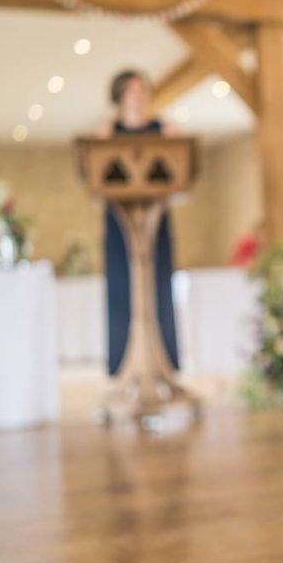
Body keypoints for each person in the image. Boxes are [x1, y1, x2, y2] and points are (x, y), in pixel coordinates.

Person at [101, 70, 180, 376]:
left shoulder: (164, 128)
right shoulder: (108, 131)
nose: (139, 96)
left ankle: (164, 361)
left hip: (155, 219)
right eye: (132, 91)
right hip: (120, 222)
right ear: (120, 95)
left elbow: (179, 167)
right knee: (123, 287)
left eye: (143, 90)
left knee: (158, 284)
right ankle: (123, 364)